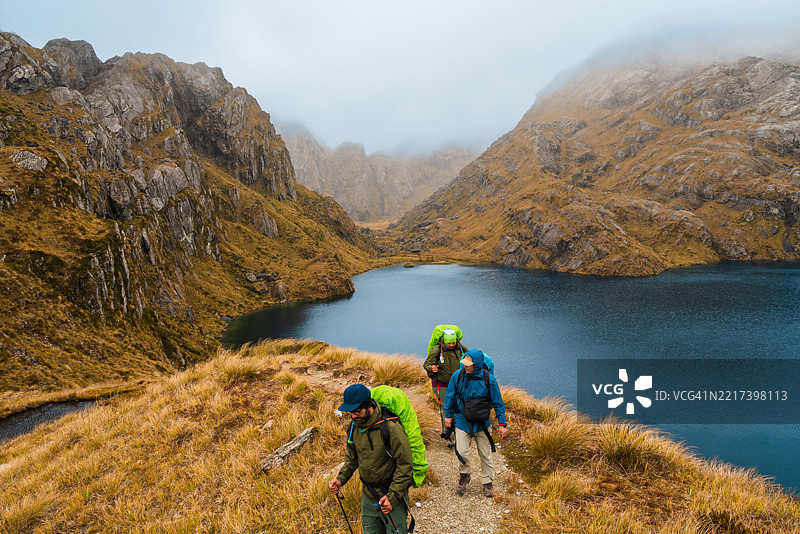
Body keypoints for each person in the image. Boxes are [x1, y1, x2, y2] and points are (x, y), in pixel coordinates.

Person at [329, 384, 413, 534]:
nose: (354, 416)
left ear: (369, 406)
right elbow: (352, 458)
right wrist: (340, 479)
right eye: (351, 413)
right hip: (368, 495)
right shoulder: (354, 427)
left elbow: (405, 465)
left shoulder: (391, 428)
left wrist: (392, 497)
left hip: (391, 495)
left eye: (357, 411)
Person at [443, 349, 508, 497]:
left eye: (469, 365)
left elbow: (498, 403)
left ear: (477, 364)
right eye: (464, 364)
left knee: (485, 454)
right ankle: (465, 475)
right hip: (461, 420)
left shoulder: (489, 379)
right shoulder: (457, 376)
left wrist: (502, 424)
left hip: (482, 423)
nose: (465, 367)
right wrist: (448, 416)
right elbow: (450, 396)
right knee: (462, 452)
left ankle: (487, 482)